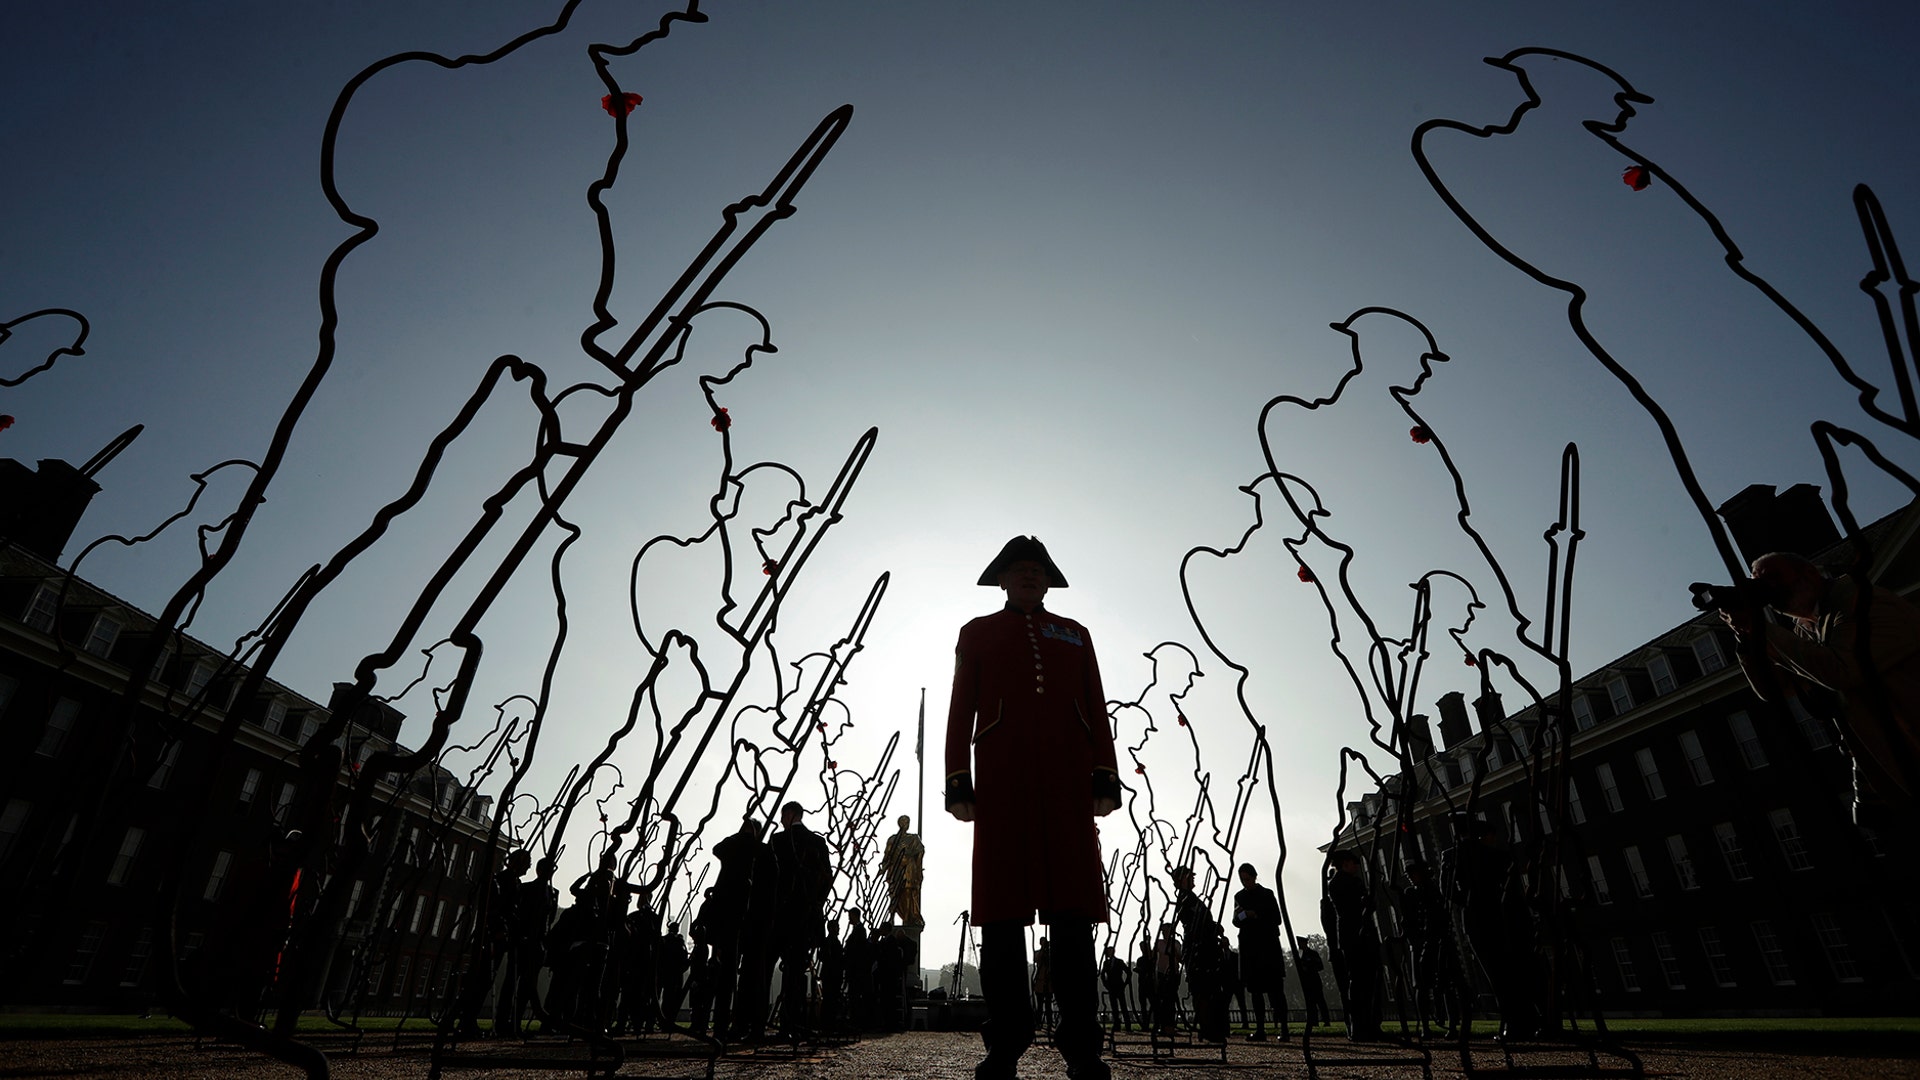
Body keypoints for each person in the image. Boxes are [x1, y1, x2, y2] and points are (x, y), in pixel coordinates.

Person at [946, 536, 1121, 1080]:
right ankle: (1006, 1042)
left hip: (1069, 784)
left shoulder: (1075, 634)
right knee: (1002, 917)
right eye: (1019, 570)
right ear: (1003, 579)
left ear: (1048, 581)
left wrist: (1104, 774)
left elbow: (1096, 703)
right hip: (1003, 784)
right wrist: (959, 781)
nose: (1028, 576)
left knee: (1073, 918)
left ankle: (1082, 1045)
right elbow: (960, 708)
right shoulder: (976, 633)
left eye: (1036, 571)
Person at [1724, 551, 1920, 825]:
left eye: (1773, 578)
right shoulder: (1807, 629)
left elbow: (1843, 671)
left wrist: (1759, 627)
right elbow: (1776, 689)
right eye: (1758, 582)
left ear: (1811, 574)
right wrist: (1745, 636)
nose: (1767, 588)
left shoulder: (1860, 602)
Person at [770, 801, 833, 1036]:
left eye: (782, 815)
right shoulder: (817, 842)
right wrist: (817, 903)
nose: (780, 820)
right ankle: (793, 1023)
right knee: (796, 971)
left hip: (781, 914)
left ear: (790, 814)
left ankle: (759, 1023)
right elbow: (828, 877)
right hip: (806, 916)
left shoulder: (778, 841)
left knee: (767, 967)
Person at [1326, 851, 1381, 1041]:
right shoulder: (1340, 883)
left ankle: (1368, 1024)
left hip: (1359, 934)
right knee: (1359, 981)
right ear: (1345, 864)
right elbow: (1352, 907)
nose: (1356, 867)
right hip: (1353, 935)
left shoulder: (1350, 882)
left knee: (1366, 980)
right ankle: (1361, 1025)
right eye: (1353, 863)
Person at [1232, 862, 1288, 1041]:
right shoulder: (1239, 896)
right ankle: (1260, 1029)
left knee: (1275, 991)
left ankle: (1284, 1028)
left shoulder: (1267, 894)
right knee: (1255, 992)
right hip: (1250, 948)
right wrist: (1242, 915)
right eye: (1242, 880)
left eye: (1247, 879)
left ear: (1254, 877)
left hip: (1267, 947)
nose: (1245, 882)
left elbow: (1277, 918)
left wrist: (1254, 915)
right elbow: (1235, 920)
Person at [1171, 866, 1227, 1042]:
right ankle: (1207, 1027)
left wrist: (1214, 928)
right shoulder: (1185, 898)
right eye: (1189, 876)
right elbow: (1194, 921)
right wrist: (1211, 927)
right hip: (1198, 948)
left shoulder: (1191, 898)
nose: (1193, 879)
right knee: (1202, 988)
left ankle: (1209, 1027)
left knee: (1206, 988)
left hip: (1204, 946)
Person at [881, 815, 927, 928]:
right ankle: (892, 918)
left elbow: (920, 851)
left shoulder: (913, 838)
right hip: (895, 869)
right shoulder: (892, 839)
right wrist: (884, 867)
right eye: (904, 822)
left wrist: (918, 869)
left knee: (908, 892)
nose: (905, 824)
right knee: (894, 894)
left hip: (909, 868)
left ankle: (907, 918)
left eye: (907, 822)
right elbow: (887, 856)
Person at [1152, 922, 1183, 1036]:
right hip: (1160, 973)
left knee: (1170, 1000)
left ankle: (1170, 1025)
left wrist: (1174, 953)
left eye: (1166, 931)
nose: (1164, 934)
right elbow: (1153, 957)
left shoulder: (1176, 943)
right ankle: (1163, 1025)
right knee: (1162, 1001)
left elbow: (1180, 959)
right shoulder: (1159, 943)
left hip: (1172, 973)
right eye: (1163, 931)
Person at [1295, 938, 1331, 1028]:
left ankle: (1326, 1020)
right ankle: (1314, 1021)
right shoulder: (1300, 954)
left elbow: (1320, 966)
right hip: (1306, 981)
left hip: (1314, 980)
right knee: (1310, 1002)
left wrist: (1309, 967)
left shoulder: (1313, 954)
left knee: (1320, 1000)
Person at [1100, 945, 1132, 1031]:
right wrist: (1106, 984)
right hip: (1111, 987)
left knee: (1123, 1006)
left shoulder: (1119, 962)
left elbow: (1128, 972)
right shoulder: (1106, 963)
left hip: (1119, 986)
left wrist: (1125, 983)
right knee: (1114, 1007)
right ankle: (1117, 1025)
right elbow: (1102, 974)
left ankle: (1127, 1025)